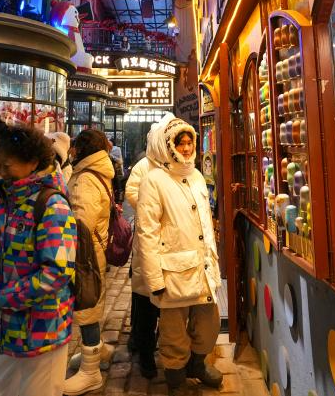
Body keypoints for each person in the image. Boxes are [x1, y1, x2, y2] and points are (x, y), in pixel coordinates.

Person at [0, 124, 78, 395]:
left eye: (8, 166)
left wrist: (0, 297)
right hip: (2, 330)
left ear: (32, 163)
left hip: (42, 331)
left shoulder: (52, 205)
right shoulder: (1, 199)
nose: (0, 172)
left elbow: (55, 272)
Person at [136, 117, 223, 394]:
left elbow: (205, 223)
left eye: (189, 142)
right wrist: (153, 279)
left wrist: (213, 259)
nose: (186, 148)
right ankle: (175, 377)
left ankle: (197, 364)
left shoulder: (197, 175)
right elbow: (146, 232)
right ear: (168, 145)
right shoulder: (154, 180)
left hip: (202, 267)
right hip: (172, 271)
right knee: (173, 333)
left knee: (209, 324)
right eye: (179, 143)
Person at [62, 129, 116, 395]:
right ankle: (96, 351)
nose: (71, 151)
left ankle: (91, 372)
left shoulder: (85, 179)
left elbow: (82, 223)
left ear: (81, 149)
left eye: (75, 146)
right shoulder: (96, 172)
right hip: (93, 250)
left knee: (86, 307)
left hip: (85, 253)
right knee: (91, 304)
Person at [123, 119, 168, 379]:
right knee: (144, 300)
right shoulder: (144, 165)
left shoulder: (177, 165)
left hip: (170, 245)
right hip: (147, 241)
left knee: (165, 300)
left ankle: (159, 343)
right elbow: (132, 191)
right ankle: (143, 347)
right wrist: (152, 207)